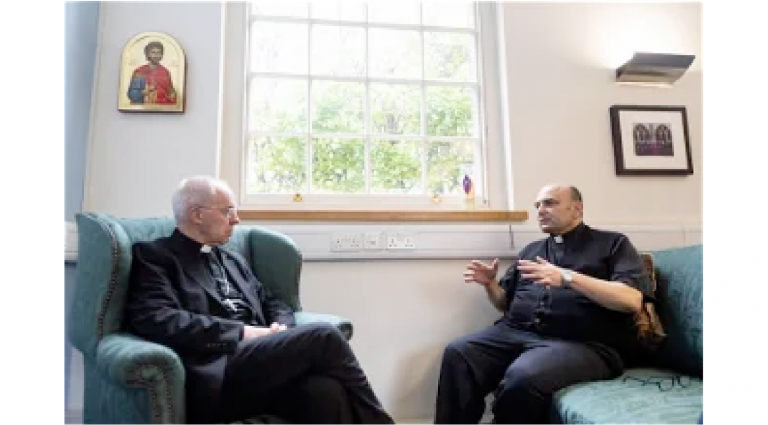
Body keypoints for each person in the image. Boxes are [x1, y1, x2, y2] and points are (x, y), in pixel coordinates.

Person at [124, 176, 393, 424]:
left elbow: (273, 302)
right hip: (218, 365)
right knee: (325, 335)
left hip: (260, 360)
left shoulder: (232, 259)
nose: (236, 220)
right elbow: (156, 318)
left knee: (324, 391)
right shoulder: (155, 257)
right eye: (227, 211)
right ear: (197, 214)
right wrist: (244, 332)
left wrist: (280, 329)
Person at [434, 184, 650, 424]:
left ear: (577, 209)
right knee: (459, 353)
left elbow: (631, 300)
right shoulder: (531, 251)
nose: (540, 210)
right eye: (537, 205)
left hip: (583, 344)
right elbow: (504, 303)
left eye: (550, 203)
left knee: (523, 377)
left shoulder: (613, 244)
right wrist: (490, 284)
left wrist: (567, 277)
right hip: (515, 333)